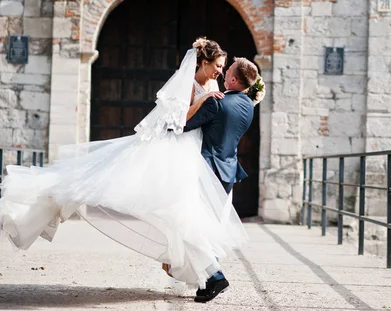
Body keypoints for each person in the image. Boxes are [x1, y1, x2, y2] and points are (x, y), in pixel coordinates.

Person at [0, 38, 259, 298]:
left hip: (195, 156)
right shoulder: (189, 85)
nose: (220, 71)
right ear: (202, 63)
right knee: (174, 212)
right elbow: (175, 121)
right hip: (178, 151)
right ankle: (209, 274)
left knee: (183, 215)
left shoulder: (215, 86)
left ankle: (203, 274)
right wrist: (203, 102)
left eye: (223, 67)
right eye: (217, 65)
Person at [183, 57, 259, 303]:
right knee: (207, 226)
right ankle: (205, 281)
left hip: (206, 170)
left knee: (190, 224)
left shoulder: (217, 103)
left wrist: (203, 98)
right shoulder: (248, 105)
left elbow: (183, 125)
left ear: (234, 80)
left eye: (228, 71)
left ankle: (215, 277)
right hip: (228, 171)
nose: (224, 73)